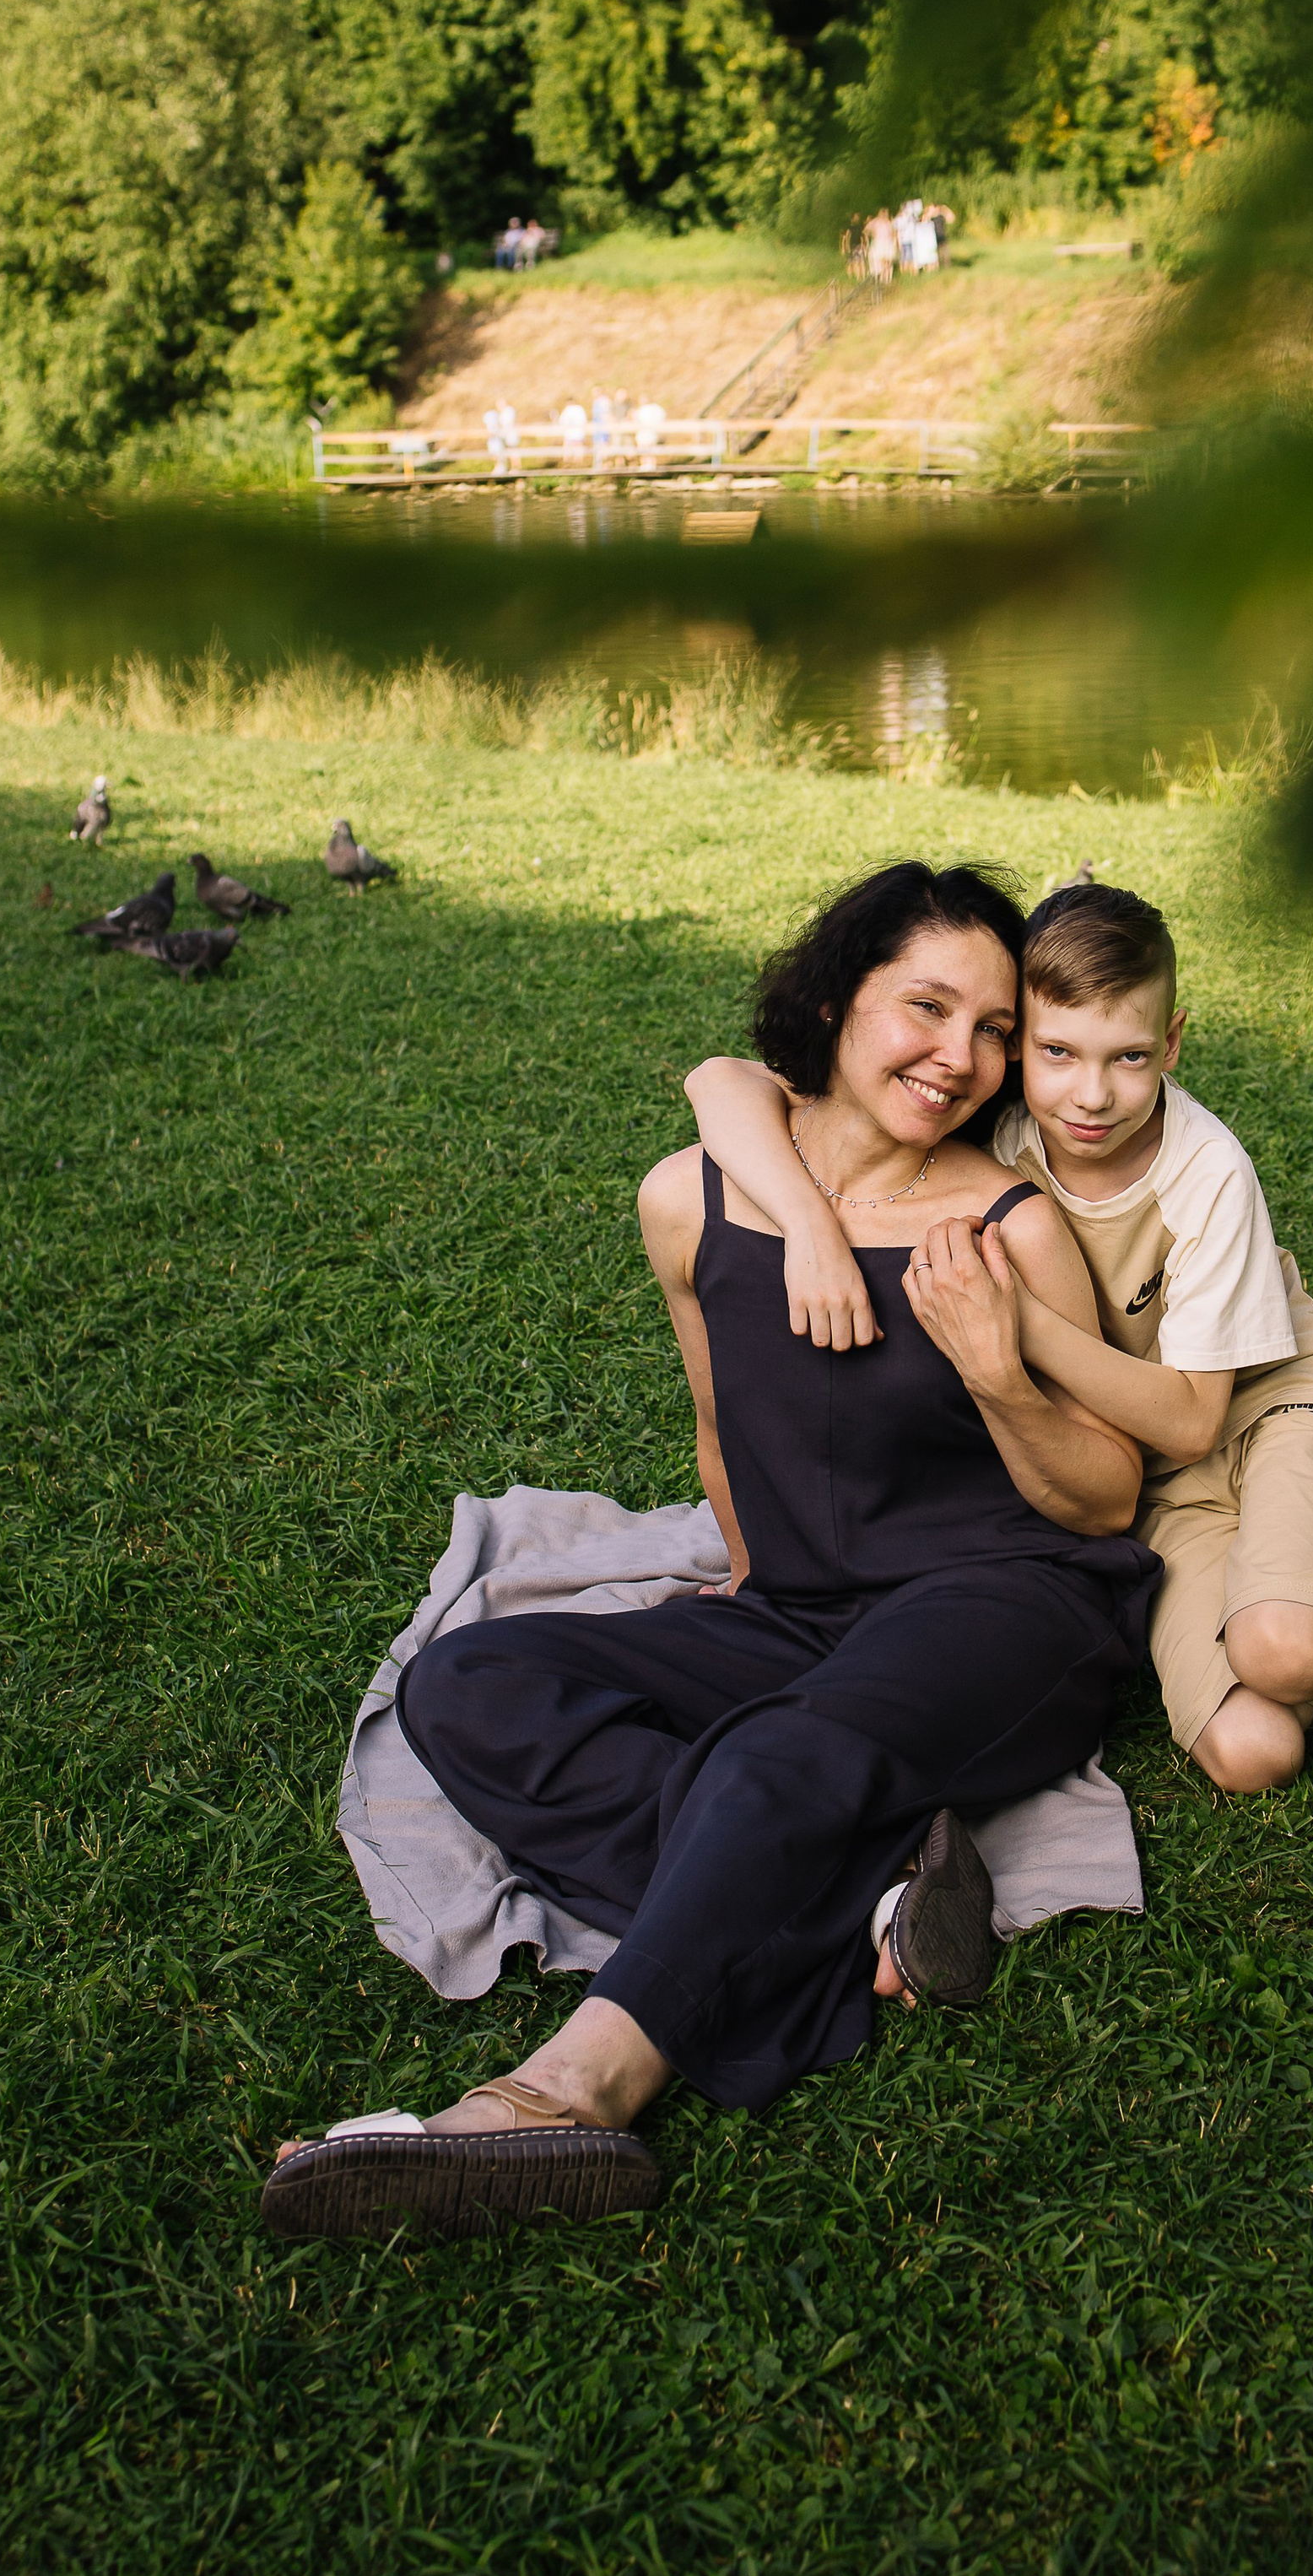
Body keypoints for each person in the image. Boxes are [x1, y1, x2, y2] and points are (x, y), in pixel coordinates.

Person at [262, 864, 1159, 2240]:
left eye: (992, 1030)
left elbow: (1103, 1500)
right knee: (466, 1687)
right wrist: (741, 1590)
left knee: (778, 1753)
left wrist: (1001, 1376)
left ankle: (565, 2094)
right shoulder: (691, 1202)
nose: (962, 1058)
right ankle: (868, 1896)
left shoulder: (1007, 1224)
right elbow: (717, 1423)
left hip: (1011, 1604)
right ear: (832, 1000)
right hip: (801, 1608)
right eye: (927, 1007)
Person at [687, 878, 1313, 1801]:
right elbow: (720, 1081)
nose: (1090, 1095)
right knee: (1254, 1755)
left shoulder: (1206, 1174)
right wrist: (808, 1223)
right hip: (1142, 1480)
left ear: (1170, 1045)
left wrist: (1018, 1326)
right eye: (1054, 1051)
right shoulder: (993, 1108)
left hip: (1267, 1412)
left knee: (1279, 1653)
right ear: (1021, 1050)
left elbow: (1191, 1423)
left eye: (1128, 1058)